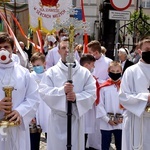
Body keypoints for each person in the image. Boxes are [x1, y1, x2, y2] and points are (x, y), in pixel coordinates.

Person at [39, 39, 96, 150]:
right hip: (58, 120)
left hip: (76, 118)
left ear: (74, 50)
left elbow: (92, 93)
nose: (67, 51)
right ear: (58, 51)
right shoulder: (51, 72)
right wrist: (61, 91)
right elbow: (44, 91)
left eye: (69, 48)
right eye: (63, 48)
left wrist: (76, 98)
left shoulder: (84, 73)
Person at [0, 32, 40, 150]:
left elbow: (33, 97)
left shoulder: (24, 73)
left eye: (6, 47)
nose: (3, 50)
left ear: (12, 49)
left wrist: (20, 111)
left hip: (18, 126)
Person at [119, 37, 150, 150]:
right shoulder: (131, 71)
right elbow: (123, 96)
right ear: (139, 51)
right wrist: (146, 98)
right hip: (136, 120)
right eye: (147, 49)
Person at [87, 40, 112, 150]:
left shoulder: (108, 62)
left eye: (90, 52)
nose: (89, 54)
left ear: (96, 52)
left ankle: (99, 144)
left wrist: (99, 81)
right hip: (90, 92)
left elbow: (111, 78)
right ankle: (89, 142)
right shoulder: (88, 61)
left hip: (102, 93)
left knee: (100, 117)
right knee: (90, 117)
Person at [97, 61, 123, 150]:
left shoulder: (124, 87)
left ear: (121, 71)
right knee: (105, 146)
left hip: (121, 122)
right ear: (108, 71)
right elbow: (99, 104)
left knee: (121, 146)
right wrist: (107, 119)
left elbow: (128, 103)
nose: (115, 73)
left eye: (117, 71)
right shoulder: (103, 87)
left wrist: (123, 117)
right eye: (112, 71)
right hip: (106, 122)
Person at [30, 52, 51, 150]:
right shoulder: (30, 76)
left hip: (48, 110)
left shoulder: (50, 76)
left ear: (44, 64)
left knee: (50, 140)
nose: (36, 67)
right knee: (33, 142)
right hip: (35, 111)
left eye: (38, 65)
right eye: (34, 66)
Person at [80, 54, 98, 150]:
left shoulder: (90, 76)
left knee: (85, 133)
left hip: (88, 109)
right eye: (92, 65)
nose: (93, 67)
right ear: (86, 65)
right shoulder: (80, 76)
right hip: (82, 109)